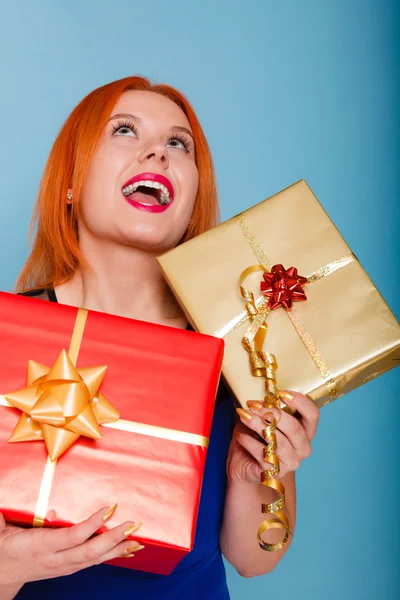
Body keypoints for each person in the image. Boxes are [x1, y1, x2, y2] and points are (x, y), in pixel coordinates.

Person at [0, 76, 320, 599]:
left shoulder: (241, 351)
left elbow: (254, 560)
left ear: (193, 196)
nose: (158, 152)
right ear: (70, 182)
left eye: (179, 143)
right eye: (124, 131)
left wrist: (256, 475)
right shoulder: (5, 336)